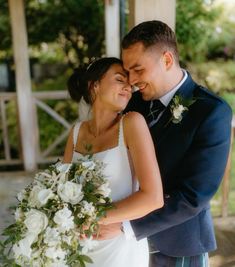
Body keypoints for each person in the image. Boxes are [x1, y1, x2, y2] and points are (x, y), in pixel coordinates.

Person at [97, 21, 233, 267]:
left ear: (167, 60)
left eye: (138, 69)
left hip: (178, 245)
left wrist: (126, 225)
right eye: (127, 72)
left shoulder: (212, 111)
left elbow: (193, 196)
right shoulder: (134, 104)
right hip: (124, 248)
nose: (132, 80)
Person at [63, 57, 164, 267]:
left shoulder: (132, 123)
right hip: (80, 245)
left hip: (119, 246)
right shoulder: (76, 132)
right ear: (95, 85)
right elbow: (61, 189)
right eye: (120, 79)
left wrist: (95, 218)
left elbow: (153, 198)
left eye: (129, 83)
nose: (128, 87)